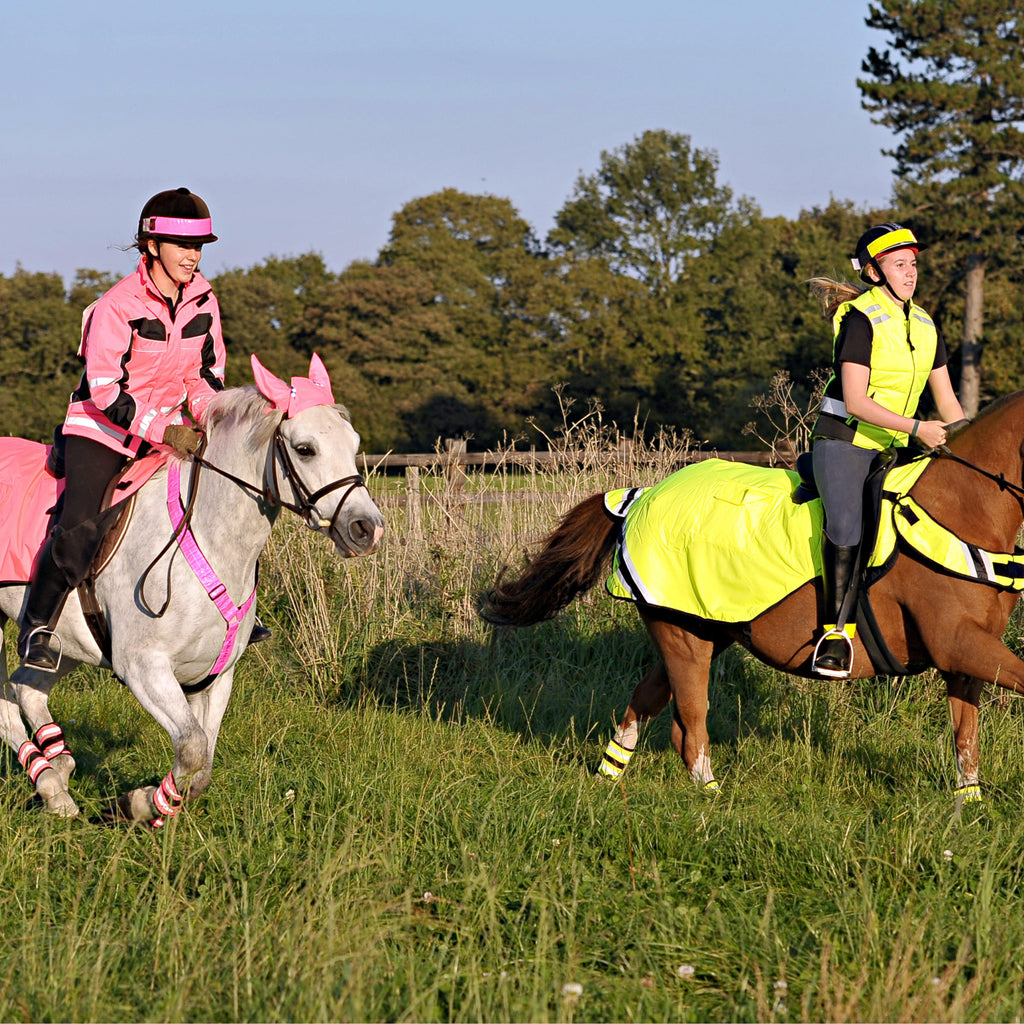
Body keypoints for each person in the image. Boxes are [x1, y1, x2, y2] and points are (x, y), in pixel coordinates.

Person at [19, 187, 268, 671]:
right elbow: (105, 389)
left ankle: (233, 617)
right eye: (183, 246)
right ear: (153, 246)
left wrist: (212, 419)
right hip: (101, 431)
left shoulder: (204, 302)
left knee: (226, 507)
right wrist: (164, 430)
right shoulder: (117, 304)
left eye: (198, 247)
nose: (193, 257)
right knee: (80, 527)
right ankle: (37, 628)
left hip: (168, 430)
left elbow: (206, 378)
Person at [808, 222, 965, 678]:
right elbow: (856, 402)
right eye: (899, 265)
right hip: (847, 441)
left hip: (897, 447)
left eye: (913, 263)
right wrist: (917, 428)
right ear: (874, 273)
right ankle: (835, 635)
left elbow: (948, 401)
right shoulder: (860, 319)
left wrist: (964, 444)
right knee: (846, 525)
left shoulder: (925, 323)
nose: (911, 272)